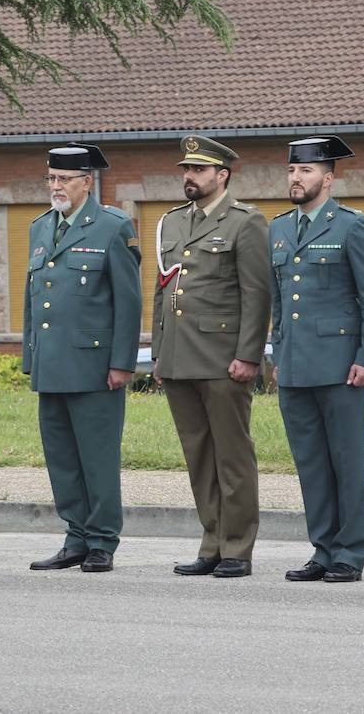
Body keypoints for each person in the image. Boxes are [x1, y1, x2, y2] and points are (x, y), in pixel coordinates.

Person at [269, 136, 364, 584]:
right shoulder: (279, 228)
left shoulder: (351, 226)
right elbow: (279, 302)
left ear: (328, 178)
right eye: (292, 171)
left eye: (306, 171)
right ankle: (322, 547)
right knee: (311, 462)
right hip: (295, 367)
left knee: (346, 460)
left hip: (342, 366)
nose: (296, 178)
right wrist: (278, 352)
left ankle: (350, 552)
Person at [152, 136, 269, 579]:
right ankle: (211, 542)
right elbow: (162, 293)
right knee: (199, 455)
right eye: (186, 170)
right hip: (179, 358)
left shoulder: (246, 222)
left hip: (223, 358)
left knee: (232, 455)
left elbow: (256, 294)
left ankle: (238, 546)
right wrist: (159, 354)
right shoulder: (171, 222)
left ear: (222, 175)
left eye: (198, 170)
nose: (189, 177)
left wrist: (249, 356)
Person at [24, 144, 141, 575]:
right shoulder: (40, 227)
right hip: (52, 363)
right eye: (51, 178)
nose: (56, 186)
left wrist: (122, 363)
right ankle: (75, 535)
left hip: (94, 367)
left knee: (96, 457)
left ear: (86, 183)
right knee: (62, 457)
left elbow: (128, 303)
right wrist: (29, 357)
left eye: (64, 179)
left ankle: (102, 540)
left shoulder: (112, 226)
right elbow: (33, 300)